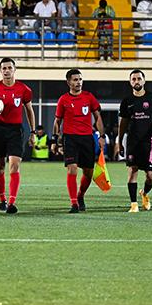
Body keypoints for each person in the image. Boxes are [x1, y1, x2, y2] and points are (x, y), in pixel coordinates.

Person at [0, 58, 35, 214]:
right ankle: (2, 199)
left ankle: (12, 202)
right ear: (0, 70)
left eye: (9, 68)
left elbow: (29, 111)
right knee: (0, 167)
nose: (6, 70)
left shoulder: (23, 89)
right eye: (4, 68)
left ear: (14, 69)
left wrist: (32, 132)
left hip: (15, 131)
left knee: (14, 165)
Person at [52, 69, 104, 213]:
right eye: (75, 80)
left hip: (87, 138)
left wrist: (101, 136)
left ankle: (80, 196)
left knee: (88, 173)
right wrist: (55, 140)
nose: (78, 82)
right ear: (68, 82)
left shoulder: (89, 97)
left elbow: (98, 117)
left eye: (80, 79)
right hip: (70, 138)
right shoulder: (63, 100)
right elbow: (57, 121)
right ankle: (74, 203)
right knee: (72, 168)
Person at [118, 69, 152, 213]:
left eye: (139, 78)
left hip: (148, 142)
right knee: (132, 171)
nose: (136, 81)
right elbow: (123, 123)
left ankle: (144, 193)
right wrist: (119, 142)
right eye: (133, 79)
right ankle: (133, 205)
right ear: (130, 82)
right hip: (133, 142)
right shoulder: (127, 101)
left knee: (150, 176)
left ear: (144, 81)